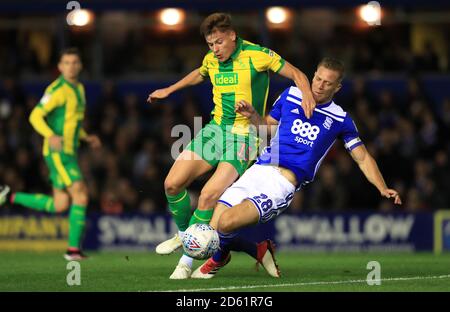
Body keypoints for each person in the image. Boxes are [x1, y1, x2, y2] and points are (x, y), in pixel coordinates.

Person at [191, 57, 402, 279]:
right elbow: (266, 130)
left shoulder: (341, 119)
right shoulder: (290, 95)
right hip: (260, 168)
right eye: (318, 78)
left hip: (281, 183)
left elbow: (363, 158)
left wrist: (382, 187)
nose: (319, 85)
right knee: (214, 231)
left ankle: (219, 259)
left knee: (226, 223)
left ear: (337, 87)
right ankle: (258, 250)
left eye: (327, 83)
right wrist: (254, 116)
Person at [147, 12, 316, 279]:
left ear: (232, 36)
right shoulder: (211, 59)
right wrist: (169, 90)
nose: (214, 50)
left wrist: (307, 92)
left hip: (248, 135)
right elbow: (199, 73)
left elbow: (295, 72)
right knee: (171, 183)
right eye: (210, 45)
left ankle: (185, 263)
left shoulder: (257, 55)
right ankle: (185, 234)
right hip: (216, 130)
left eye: (219, 43)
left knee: (208, 195)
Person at [0, 48, 101, 260]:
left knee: (60, 205)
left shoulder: (80, 89)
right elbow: (35, 116)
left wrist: (86, 137)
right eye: (67, 62)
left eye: (75, 62)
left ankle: (9, 196)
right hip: (58, 153)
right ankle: (73, 251)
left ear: (80, 66)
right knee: (81, 194)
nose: (71, 66)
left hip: (70, 151)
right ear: (60, 67)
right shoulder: (57, 90)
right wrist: (49, 135)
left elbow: (72, 122)